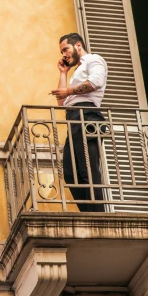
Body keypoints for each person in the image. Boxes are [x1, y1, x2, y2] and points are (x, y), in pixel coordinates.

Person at [49, 33, 108, 212]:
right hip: (74, 118)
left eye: (66, 49)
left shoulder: (94, 60)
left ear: (78, 46)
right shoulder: (75, 73)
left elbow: (96, 82)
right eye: (62, 51)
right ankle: (90, 213)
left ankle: (99, 216)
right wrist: (63, 73)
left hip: (87, 115)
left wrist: (68, 91)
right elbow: (62, 104)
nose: (64, 54)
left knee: (88, 169)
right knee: (69, 172)